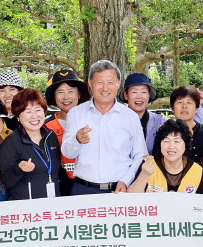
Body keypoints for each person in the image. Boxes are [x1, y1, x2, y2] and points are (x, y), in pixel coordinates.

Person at [62, 61, 148, 195]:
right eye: (100, 82)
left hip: (119, 190)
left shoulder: (130, 116)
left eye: (110, 82)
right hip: (83, 190)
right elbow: (67, 153)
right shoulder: (76, 113)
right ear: (90, 83)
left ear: (118, 84)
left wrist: (126, 180)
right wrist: (77, 139)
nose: (105, 88)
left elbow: (140, 155)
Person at [0, 88, 67, 199]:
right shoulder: (10, 143)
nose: (34, 116)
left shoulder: (50, 136)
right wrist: (20, 169)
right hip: (27, 209)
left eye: (38, 110)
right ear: (18, 116)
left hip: (54, 204)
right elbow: (7, 182)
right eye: (28, 111)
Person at [131, 118, 203, 193]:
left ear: (185, 144)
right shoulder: (148, 164)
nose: (171, 146)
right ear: (160, 144)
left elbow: (202, 204)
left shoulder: (197, 171)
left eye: (176, 141)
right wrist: (144, 175)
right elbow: (130, 198)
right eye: (166, 141)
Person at [43, 67, 89, 183]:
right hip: (58, 184)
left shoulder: (91, 121)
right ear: (54, 96)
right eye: (60, 92)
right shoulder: (47, 126)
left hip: (88, 183)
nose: (66, 97)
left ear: (79, 95)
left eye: (70, 91)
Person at [169, 86, 203, 164]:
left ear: (196, 109)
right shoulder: (165, 134)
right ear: (172, 109)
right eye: (180, 102)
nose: (184, 106)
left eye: (189, 102)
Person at [123, 72, 166, 151]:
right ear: (126, 95)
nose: (139, 96)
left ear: (149, 95)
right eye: (134, 92)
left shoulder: (160, 121)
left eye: (144, 92)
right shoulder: (116, 121)